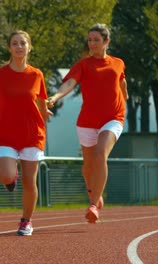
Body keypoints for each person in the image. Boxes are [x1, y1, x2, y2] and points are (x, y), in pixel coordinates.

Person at [47, 23, 128, 224]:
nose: (92, 43)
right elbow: (70, 83)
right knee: (89, 165)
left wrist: (125, 97)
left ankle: (93, 204)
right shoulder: (83, 65)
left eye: (96, 40)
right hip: (87, 121)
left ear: (106, 41)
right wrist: (56, 96)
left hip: (113, 118)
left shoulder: (118, 63)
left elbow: (122, 81)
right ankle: (94, 192)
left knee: (101, 155)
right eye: (90, 40)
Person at [0, 30, 52, 236]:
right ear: (10, 48)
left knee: (30, 182)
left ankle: (26, 221)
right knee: (5, 174)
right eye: (15, 43)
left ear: (29, 47)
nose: (19, 47)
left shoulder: (37, 74)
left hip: (32, 134)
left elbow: (42, 99)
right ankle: (11, 179)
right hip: (6, 134)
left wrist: (45, 112)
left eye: (23, 43)